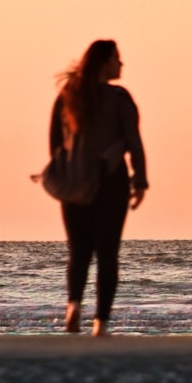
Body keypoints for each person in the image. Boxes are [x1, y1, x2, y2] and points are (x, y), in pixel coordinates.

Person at [49, 40, 148, 336]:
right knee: (107, 253)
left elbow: (55, 143)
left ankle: (73, 305)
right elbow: (134, 142)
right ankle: (100, 323)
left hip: (74, 181)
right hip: (110, 180)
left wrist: (65, 173)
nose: (121, 65)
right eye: (117, 59)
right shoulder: (119, 97)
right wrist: (140, 180)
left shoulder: (69, 95)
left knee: (78, 251)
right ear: (104, 62)